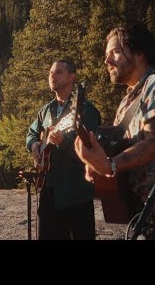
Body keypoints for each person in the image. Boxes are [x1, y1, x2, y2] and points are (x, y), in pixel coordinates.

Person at [74, 22, 155, 240]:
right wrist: (97, 165)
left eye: (115, 52)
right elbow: (122, 153)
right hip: (143, 218)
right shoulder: (126, 103)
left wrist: (110, 165)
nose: (107, 61)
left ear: (140, 54)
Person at [26, 60, 101, 240]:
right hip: (47, 190)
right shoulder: (45, 110)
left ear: (72, 77)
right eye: (51, 72)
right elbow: (31, 133)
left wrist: (64, 142)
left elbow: (92, 148)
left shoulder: (86, 110)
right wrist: (34, 144)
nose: (52, 76)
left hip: (75, 191)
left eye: (58, 72)